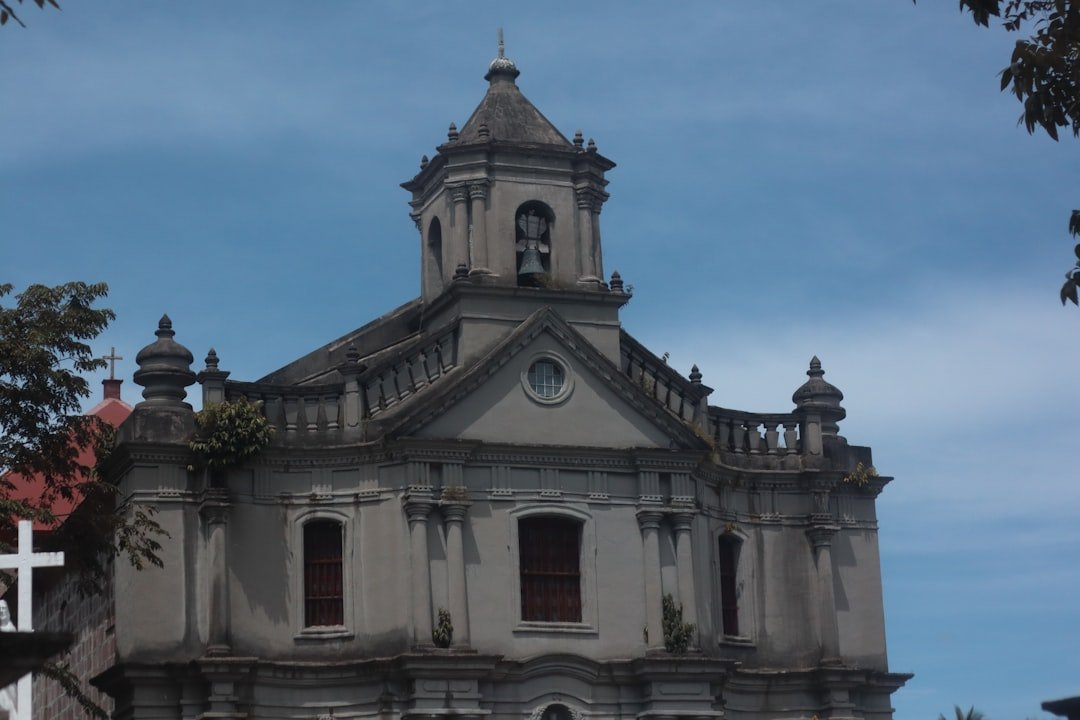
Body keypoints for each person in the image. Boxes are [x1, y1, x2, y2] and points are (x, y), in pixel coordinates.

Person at [0, 600, 17, 720]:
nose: (1, 611)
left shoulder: (11, 629)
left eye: (3, 608)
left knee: (11, 694)